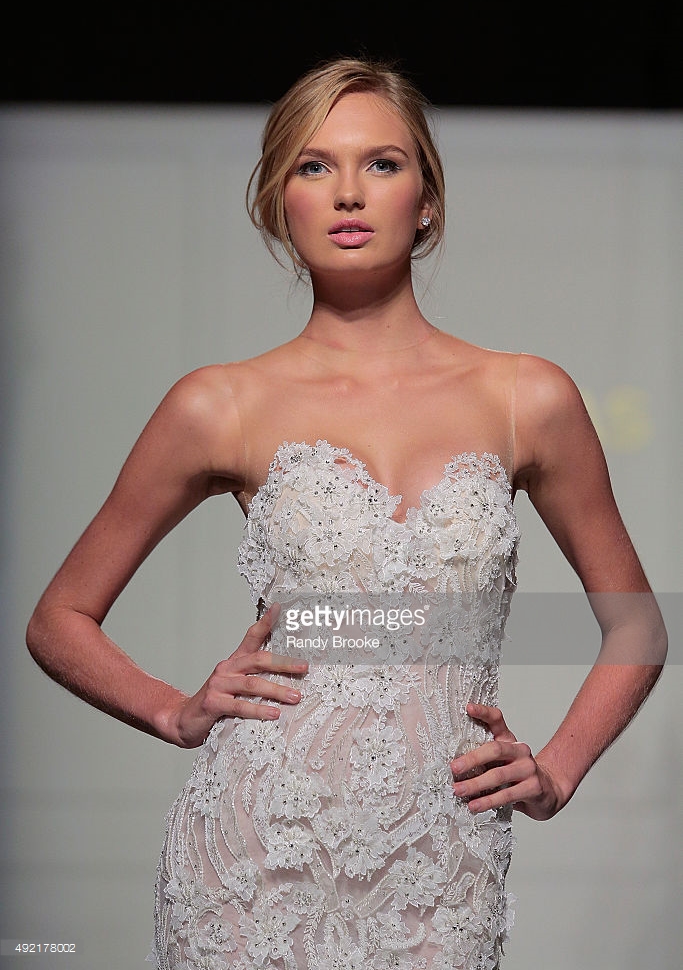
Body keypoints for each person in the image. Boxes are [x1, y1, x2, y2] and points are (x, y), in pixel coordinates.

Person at [26, 57, 667, 970]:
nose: (348, 192)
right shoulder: (221, 404)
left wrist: (556, 770)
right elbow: (58, 616)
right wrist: (172, 711)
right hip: (253, 852)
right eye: (314, 165)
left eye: (382, 163)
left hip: (441, 858)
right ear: (278, 204)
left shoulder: (526, 398)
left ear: (427, 200)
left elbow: (635, 623)